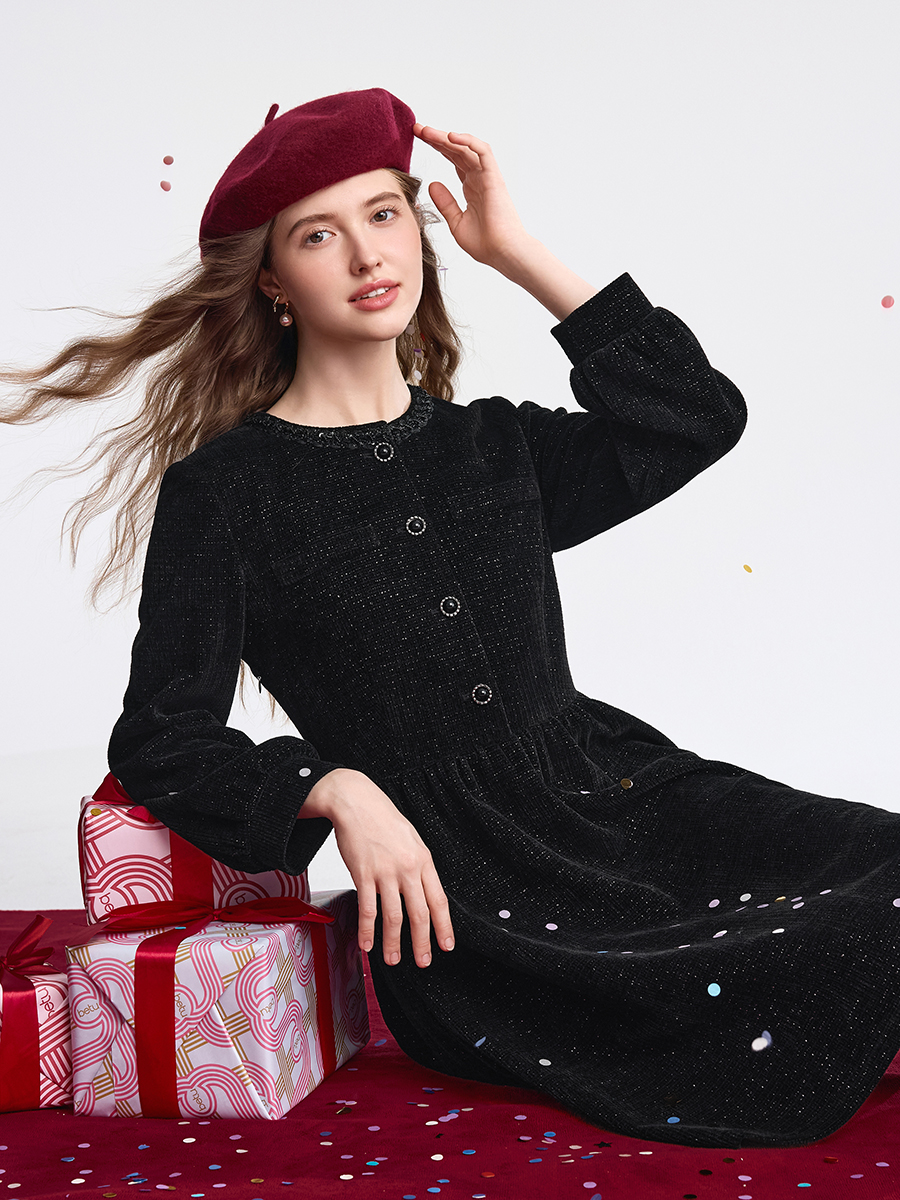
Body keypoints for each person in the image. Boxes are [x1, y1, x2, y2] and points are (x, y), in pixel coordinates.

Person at [4, 87, 900, 1151]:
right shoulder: (226, 493)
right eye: (318, 235)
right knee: (784, 971)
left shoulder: (497, 447)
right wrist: (333, 788)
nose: (365, 254)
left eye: (385, 214)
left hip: (623, 796)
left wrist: (516, 252)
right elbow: (162, 736)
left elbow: (697, 417)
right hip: (465, 895)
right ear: (274, 282)